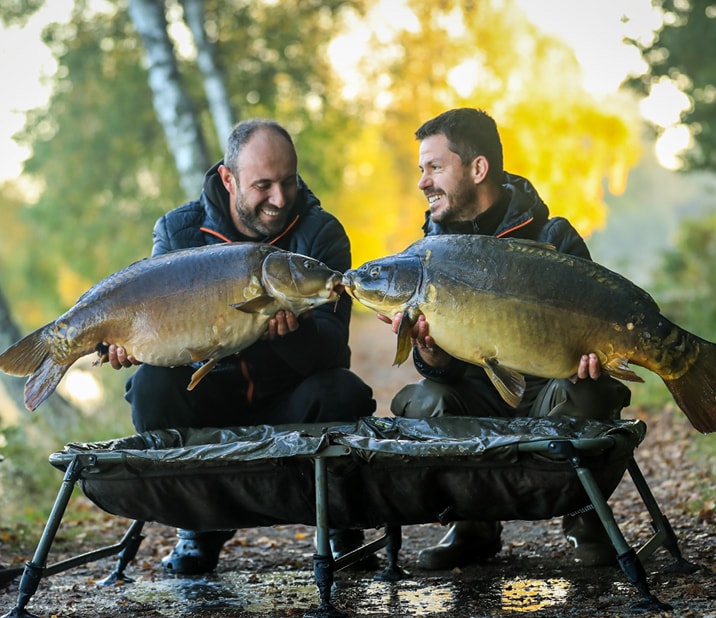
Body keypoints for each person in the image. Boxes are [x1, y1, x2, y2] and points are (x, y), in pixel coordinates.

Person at [106, 119, 377, 574]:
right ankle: (198, 525)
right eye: (263, 185)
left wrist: (292, 333)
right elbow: (152, 319)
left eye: (288, 182)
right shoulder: (179, 232)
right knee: (151, 385)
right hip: (211, 395)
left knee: (343, 392)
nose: (278, 198)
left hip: (288, 397)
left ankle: (339, 522)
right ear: (229, 179)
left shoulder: (321, 234)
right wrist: (127, 344)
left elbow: (332, 349)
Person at [382, 108, 632, 571]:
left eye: (435, 167)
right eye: (422, 169)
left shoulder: (552, 238)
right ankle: (472, 524)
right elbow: (443, 374)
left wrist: (596, 356)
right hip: (484, 397)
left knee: (589, 390)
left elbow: (598, 327)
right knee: (423, 399)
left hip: (547, 394)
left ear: (478, 169)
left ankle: (585, 518)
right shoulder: (427, 256)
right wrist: (429, 353)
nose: (423, 182)